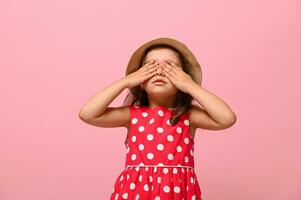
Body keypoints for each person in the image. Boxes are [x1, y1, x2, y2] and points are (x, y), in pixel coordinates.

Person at [78, 37, 237, 200]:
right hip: (136, 192)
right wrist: (126, 82)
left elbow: (227, 118)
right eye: (151, 66)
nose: (160, 71)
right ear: (140, 79)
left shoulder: (189, 115)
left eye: (170, 67)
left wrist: (190, 86)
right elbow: (87, 114)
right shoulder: (132, 115)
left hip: (177, 193)